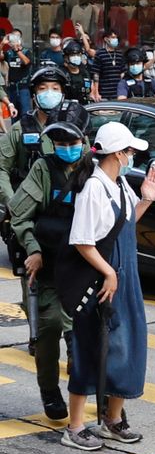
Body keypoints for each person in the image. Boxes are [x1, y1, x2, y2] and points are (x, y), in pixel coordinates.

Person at [62, 122, 155, 450]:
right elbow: (82, 241)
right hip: (102, 282)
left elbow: (124, 223)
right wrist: (109, 273)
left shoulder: (119, 185)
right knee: (90, 348)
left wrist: (145, 200)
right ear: (118, 153)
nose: (132, 156)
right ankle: (74, 427)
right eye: (130, 151)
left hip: (123, 279)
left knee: (128, 346)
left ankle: (112, 420)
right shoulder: (94, 188)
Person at [8, 101, 89, 421]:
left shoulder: (95, 167)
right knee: (50, 326)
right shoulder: (43, 168)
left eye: (72, 142)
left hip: (86, 266)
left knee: (86, 331)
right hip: (51, 264)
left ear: (84, 140)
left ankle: (84, 385)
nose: (66, 148)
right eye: (60, 142)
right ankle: (49, 390)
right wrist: (33, 250)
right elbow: (18, 212)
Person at [0, 67, 69, 207]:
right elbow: (1, 168)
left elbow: (87, 166)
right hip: (29, 208)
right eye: (43, 88)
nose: (49, 93)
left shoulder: (73, 129)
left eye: (55, 88)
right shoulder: (19, 129)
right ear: (34, 95)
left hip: (66, 209)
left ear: (62, 94)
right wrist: (12, 203)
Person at [1, 29, 33, 118]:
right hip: (12, 88)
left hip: (24, 88)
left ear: (21, 38)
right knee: (13, 114)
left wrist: (17, 50)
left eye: (17, 36)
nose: (15, 38)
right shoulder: (9, 53)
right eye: (13, 36)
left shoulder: (27, 51)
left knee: (25, 115)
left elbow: (27, 62)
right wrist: (2, 43)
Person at [90, 30, 126, 102]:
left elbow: (123, 72)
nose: (115, 39)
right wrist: (96, 92)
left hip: (118, 93)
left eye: (116, 37)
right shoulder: (100, 54)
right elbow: (96, 74)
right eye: (113, 37)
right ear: (106, 39)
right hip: (103, 93)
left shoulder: (119, 54)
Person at [61, 40, 92, 105]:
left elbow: (88, 90)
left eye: (78, 55)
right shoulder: (62, 74)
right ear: (66, 57)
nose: (76, 57)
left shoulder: (85, 73)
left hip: (84, 107)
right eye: (73, 55)